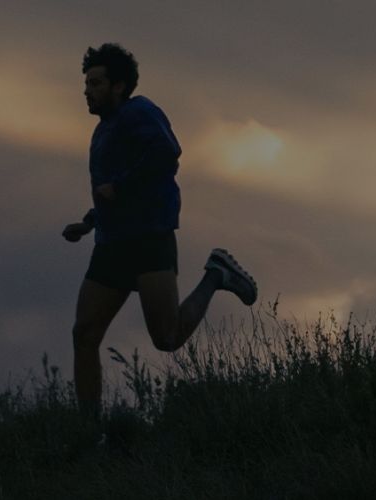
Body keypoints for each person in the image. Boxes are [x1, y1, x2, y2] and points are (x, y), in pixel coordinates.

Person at [62, 43, 258, 421]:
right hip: (111, 246)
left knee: (167, 338)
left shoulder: (141, 112)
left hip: (150, 239)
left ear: (119, 86)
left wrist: (120, 186)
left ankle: (216, 275)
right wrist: (88, 222)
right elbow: (109, 194)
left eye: (96, 82)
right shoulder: (100, 135)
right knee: (84, 334)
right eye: (86, 83)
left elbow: (168, 153)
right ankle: (90, 431)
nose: (87, 90)